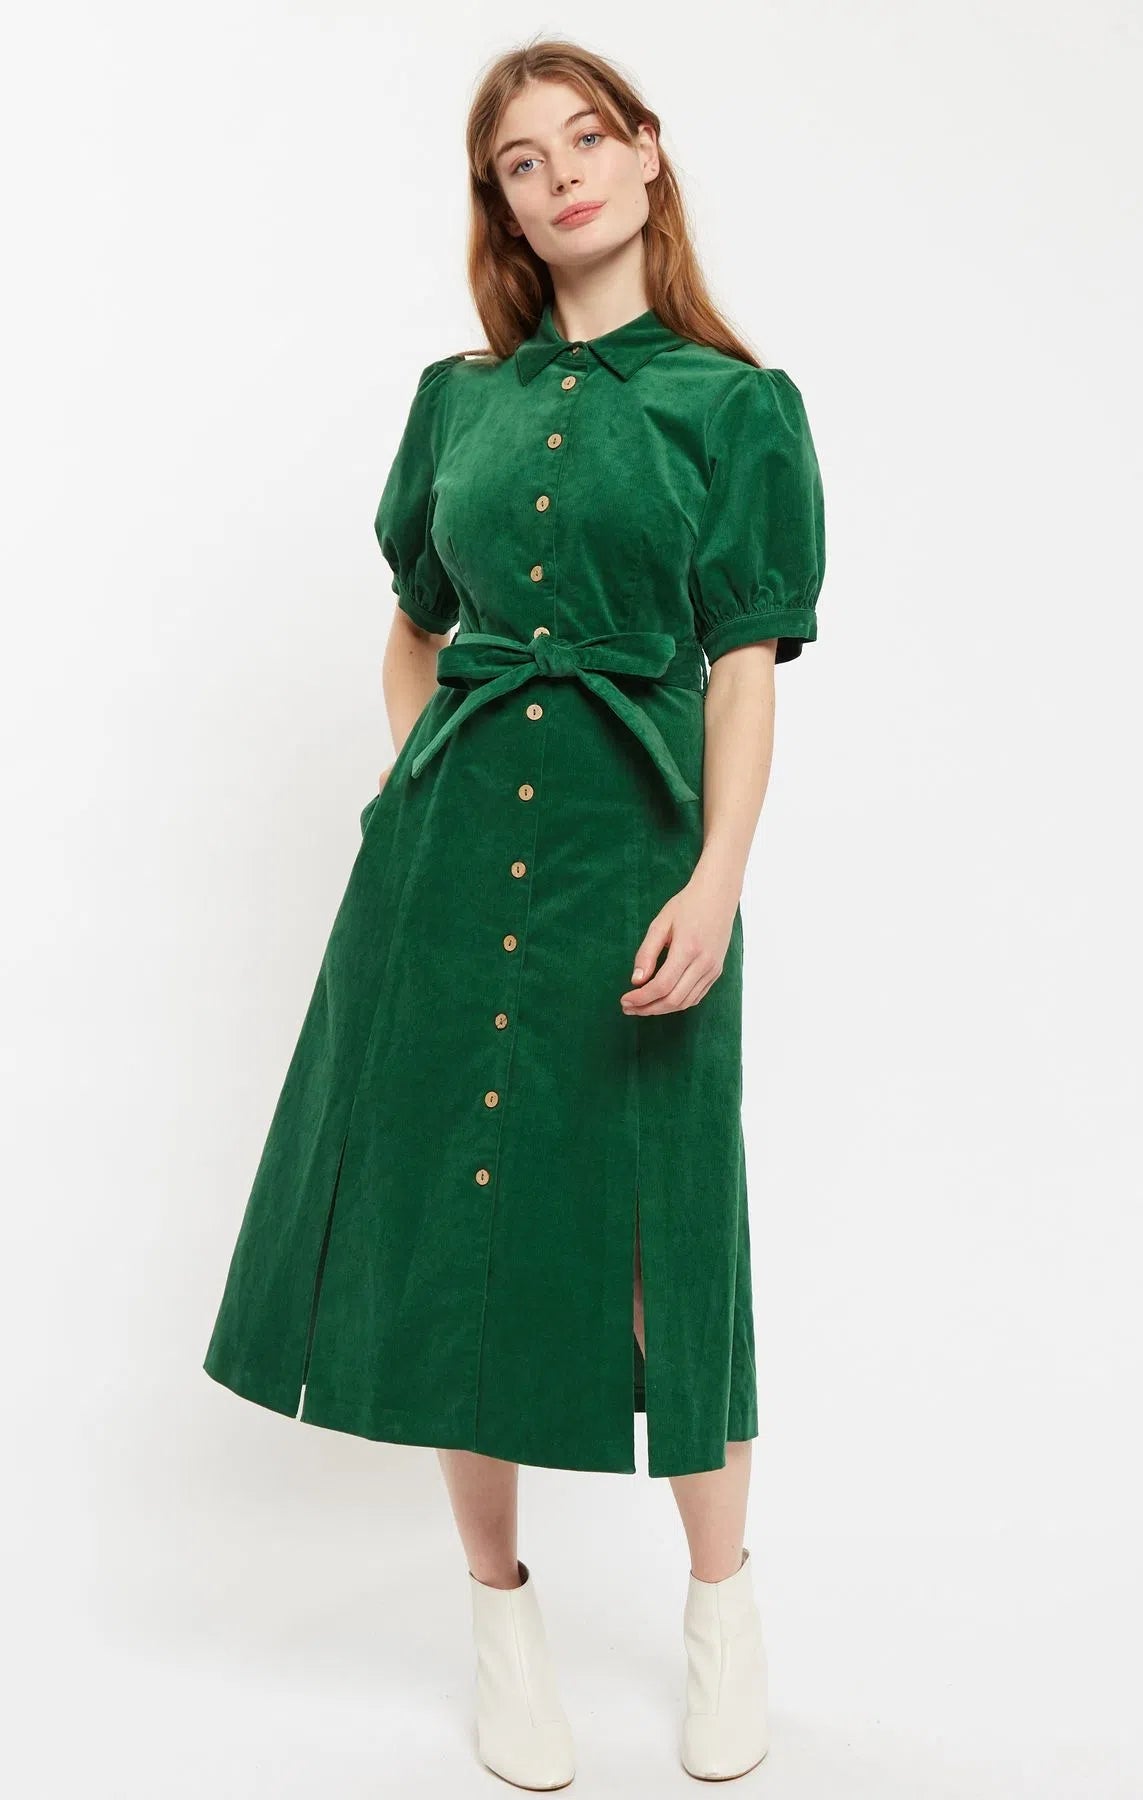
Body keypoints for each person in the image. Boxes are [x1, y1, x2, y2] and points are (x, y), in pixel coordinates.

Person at [203, 36, 826, 1790]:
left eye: (585, 139)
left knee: (662, 1243)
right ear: (501, 207)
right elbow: (417, 622)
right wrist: (421, 768)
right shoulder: (456, 402)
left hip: (637, 858)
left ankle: (723, 1610)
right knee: (459, 1235)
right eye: (520, 164)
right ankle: (501, 1621)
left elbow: (744, 666)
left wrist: (717, 876)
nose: (560, 178)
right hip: (448, 859)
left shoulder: (736, 407)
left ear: (647, 153)